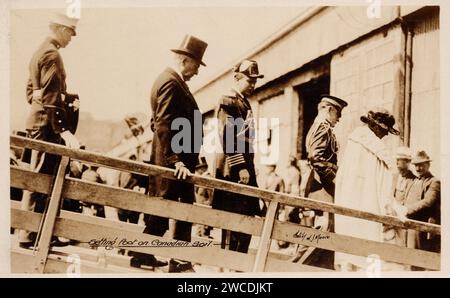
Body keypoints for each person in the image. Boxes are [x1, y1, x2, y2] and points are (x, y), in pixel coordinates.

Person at [132, 34, 208, 272]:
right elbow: (163, 123)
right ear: (185, 60)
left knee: (169, 209)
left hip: (177, 160)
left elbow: (158, 123)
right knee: (172, 208)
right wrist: (175, 159)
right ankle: (174, 260)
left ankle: (147, 256)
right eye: (196, 66)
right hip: (174, 163)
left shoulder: (172, 81)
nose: (197, 72)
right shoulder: (170, 82)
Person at [19, 13, 81, 249]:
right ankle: (31, 235)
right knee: (43, 179)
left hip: (38, 123)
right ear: (60, 29)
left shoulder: (40, 51)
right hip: (47, 127)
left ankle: (31, 233)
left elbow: (31, 93)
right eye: (70, 33)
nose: (71, 38)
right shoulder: (52, 55)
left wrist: (65, 100)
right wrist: (63, 130)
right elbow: (50, 96)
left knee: (38, 176)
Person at [334, 107, 399, 271]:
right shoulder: (376, 149)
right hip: (367, 201)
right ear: (376, 127)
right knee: (368, 242)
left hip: (349, 199)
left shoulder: (354, 141)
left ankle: (347, 270)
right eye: (385, 131)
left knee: (350, 241)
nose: (385, 136)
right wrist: (388, 206)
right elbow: (385, 180)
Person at [212, 59, 264, 254]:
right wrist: (241, 166)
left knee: (246, 220)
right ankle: (230, 267)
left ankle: (235, 266)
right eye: (249, 81)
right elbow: (228, 136)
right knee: (235, 220)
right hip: (233, 171)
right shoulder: (229, 101)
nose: (253, 85)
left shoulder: (242, 102)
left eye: (254, 81)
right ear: (237, 78)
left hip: (243, 169)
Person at [297, 95, 347, 268]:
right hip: (321, 189)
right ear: (329, 109)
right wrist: (335, 178)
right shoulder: (322, 127)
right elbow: (316, 158)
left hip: (320, 188)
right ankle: (294, 269)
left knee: (324, 238)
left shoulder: (322, 127)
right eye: (338, 113)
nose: (339, 118)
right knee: (321, 235)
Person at [396, 151, 440, 257]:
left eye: (421, 165)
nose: (418, 169)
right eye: (416, 165)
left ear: (428, 164)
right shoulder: (415, 180)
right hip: (409, 225)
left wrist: (407, 209)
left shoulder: (434, 182)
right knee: (407, 257)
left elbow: (427, 202)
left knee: (420, 259)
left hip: (422, 228)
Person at [383, 147, 416, 247]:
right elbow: (388, 195)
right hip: (392, 215)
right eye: (396, 159)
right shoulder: (393, 177)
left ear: (407, 162)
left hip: (405, 217)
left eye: (399, 160)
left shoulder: (414, 180)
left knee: (403, 244)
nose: (397, 162)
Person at [194, 156, 213, 238]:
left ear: (203, 168)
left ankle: (203, 234)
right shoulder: (200, 177)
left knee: (203, 220)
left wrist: (209, 200)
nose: (198, 171)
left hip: (204, 201)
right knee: (199, 220)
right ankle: (200, 233)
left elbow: (210, 191)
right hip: (199, 201)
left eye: (199, 168)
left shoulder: (207, 177)